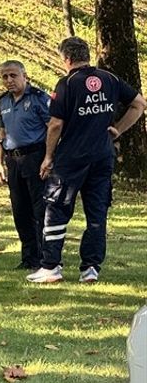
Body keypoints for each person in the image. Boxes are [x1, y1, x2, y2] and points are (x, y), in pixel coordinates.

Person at [27, 37, 146, 284]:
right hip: (102, 156)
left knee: (56, 208)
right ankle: (90, 268)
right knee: (97, 212)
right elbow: (139, 104)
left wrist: (48, 156)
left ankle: (51, 266)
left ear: (66, 59)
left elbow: (56, 124)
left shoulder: (67, 84)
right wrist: (118, 129)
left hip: (71, 157)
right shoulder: (109, 79)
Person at [0, 60, 51, 270]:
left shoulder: (38, 98)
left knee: (40, 208)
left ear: (24, 75)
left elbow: (52, 128)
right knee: (20, 209)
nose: (9, 80)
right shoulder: (3, 102)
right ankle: (28, 257)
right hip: (13, 159)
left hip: (35, 156)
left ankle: (46, 256)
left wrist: (49, 158)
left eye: (13, 75)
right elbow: (2, 134)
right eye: (5, 77)